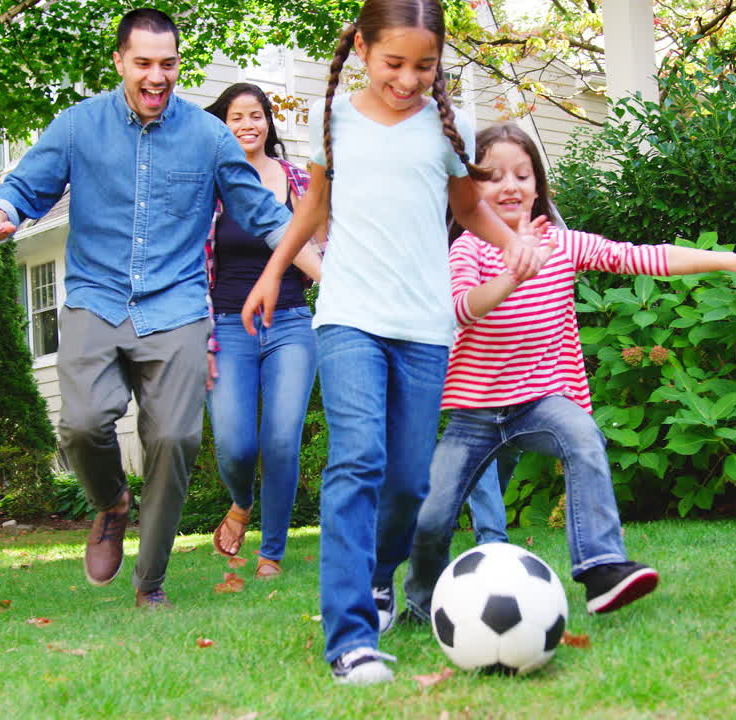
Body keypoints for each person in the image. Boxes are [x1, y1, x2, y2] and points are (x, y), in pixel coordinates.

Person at [239, 0, 548, 685]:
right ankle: (349, 637)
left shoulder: (449, 126)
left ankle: (379, 578)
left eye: (424, 65)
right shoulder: (335, 121)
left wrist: (514, 244)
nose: (408, 79)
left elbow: (467, 208)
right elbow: (312, 209)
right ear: (363, 49)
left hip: (423, 325)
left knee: (409, 483)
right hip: (348, 315)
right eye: (393, 64)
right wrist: (269, 274)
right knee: (358, 461)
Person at [0, 9, 292, 609]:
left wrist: (330, 268)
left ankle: (150, 585)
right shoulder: (79, 126)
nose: (157, 77)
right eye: (144, 64)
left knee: (177, 437)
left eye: (168, 64)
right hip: (97, 297)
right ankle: (112, 503)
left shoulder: (208, 137)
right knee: (82, 424)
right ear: (119, 62)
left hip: (178, 304)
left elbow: (268, 218)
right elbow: (23, 187)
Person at [402, 123, 736, 622]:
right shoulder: (469, 249)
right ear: (470, 189)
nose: (510, 185)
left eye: (523, 174)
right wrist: (513, 272)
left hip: (541, 401)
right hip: (475, 412)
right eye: (492, 177)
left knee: (583, 435)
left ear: (538, 185)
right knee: (431, 518)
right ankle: (420, 604)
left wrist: (729, 260)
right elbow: (463, 310)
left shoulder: (563, 244)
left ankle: (602, 568)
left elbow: (642, 257)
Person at [202, 83, 323, 579]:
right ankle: (240, 501)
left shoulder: (296, 179)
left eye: (257, 115)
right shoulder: (210, 184)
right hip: (227, 325)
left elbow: (322, 246)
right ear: (222, 124)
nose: (248, 124)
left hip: (290, 322)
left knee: (280, 440)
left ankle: (270, 552)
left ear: (269, 123)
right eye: (236, 116)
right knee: (235, 443)